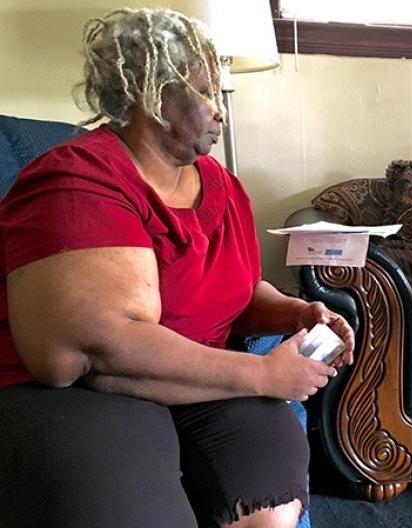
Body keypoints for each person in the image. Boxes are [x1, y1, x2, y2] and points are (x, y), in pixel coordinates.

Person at [0, 8, 354, 528]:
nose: (222, 113)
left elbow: (237, 290)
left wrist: (296, 314)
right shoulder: (76, 179)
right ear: (153, 92)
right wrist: (261, 373)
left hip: (204, 377)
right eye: (208, 92)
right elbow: (81, 351)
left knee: (267, 504)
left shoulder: (222, 184)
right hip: (81, 392)